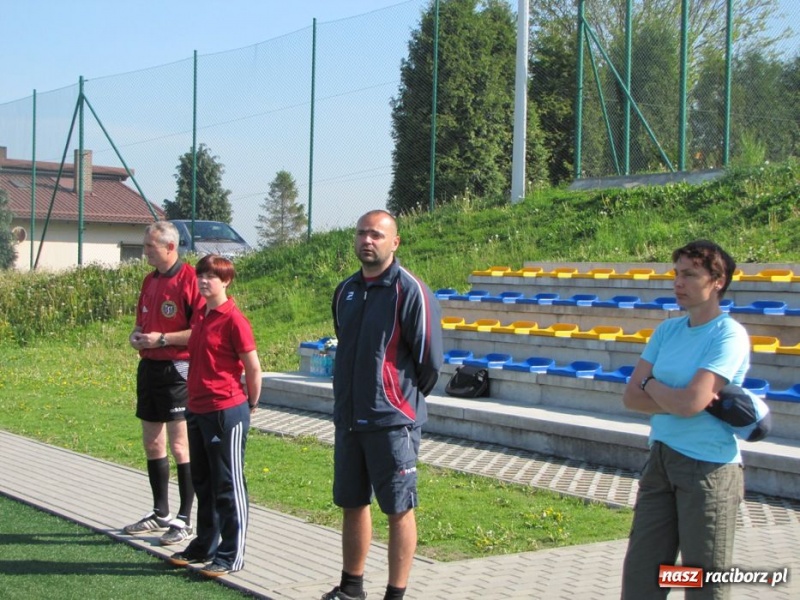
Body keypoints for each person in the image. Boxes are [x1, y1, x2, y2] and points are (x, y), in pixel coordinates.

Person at [620, 240, 751, 600]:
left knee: (703, 584)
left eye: (690, 274)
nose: (678, 283)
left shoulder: (729, 334)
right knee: (642, 579)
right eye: (676, 274)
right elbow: (631, 397)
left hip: (707, 470)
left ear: (717, 281)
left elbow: (692, 402)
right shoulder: (667, 331)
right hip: (660, 462)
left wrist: (651, 384)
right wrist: (669, 396)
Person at [323, 210, 443, 600]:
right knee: (352, 503)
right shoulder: (345, 291)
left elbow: (429, 362)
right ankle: (352, 589)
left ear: (395, 242)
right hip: (350, 418)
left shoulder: (410, 291)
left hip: (391, 421)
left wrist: (396, 400)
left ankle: (395, 594)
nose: (367, 241)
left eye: (376, 234)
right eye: (361, 233)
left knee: (398, 508)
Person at [167, 254, 262, 578]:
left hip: (226, 411)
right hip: (197, 408)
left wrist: (250, 403)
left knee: (227, 483)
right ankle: (204, 545)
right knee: (203, 481)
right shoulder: (201, 315)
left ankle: (231, 553)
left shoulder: (235, 319)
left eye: (212, 277)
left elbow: (252, 367)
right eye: (201, 275)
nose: (204, 281)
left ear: (226, 281)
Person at [124, 220, 202, 546]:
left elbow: (199, 331)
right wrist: (136, 336)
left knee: (180, 444)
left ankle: (185, 518)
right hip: (150, 369)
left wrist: (163, 339)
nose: (145, 253)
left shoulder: (190, 280)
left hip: (178, 369)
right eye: (144, 246)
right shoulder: (149, 280)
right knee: (152, 443)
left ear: (170, 247)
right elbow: (142, 321)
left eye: (149, 247)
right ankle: (160, 511)